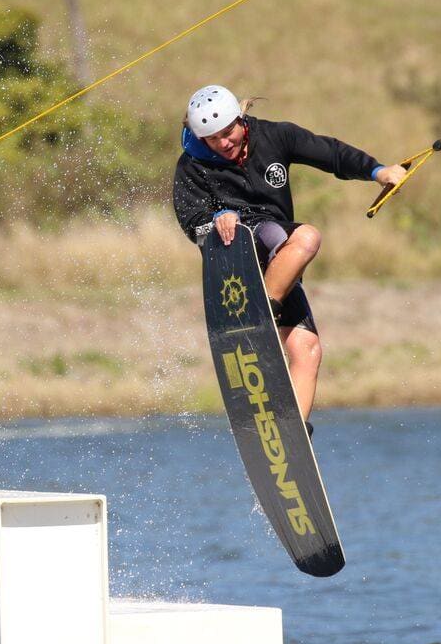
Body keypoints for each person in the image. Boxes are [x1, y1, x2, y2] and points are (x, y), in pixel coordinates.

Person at [172, 85, 407, 426]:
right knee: (306, 236)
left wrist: (378, 172)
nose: (223, 143)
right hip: (237, 267)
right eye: (212, 138)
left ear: (241, 119)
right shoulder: (192, 165)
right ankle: (259, 322)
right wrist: (215, 219)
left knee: (307, 351)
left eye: (227, 133)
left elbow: (330, 153)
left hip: (278, 266)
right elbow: (190, 221)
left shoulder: (273, 136)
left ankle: (290, 430)